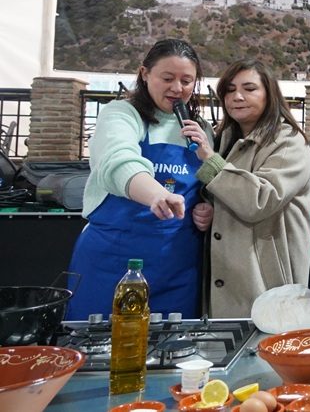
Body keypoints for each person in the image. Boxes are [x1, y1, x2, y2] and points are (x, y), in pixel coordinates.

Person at [67, 39, 213, 319]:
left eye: (187, 81)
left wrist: (206, 208)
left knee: (171, 351)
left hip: (178, 265)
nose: (177, 89)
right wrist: (156, 194)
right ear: (145, 74)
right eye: (167, 78)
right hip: (113, 260)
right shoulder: (121, 114)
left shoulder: (201, 129)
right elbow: (118, 161)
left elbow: (207, 185)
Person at [190, 59, 310, 318]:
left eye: (249, 88)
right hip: (225, 277)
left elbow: (259, 200)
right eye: (230, 90)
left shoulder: (288, 141)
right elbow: (228, 193)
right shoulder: (225, 138)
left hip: (265, 283)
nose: (238, 96)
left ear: (270, 94)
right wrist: (211, 210)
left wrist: (210, 160)